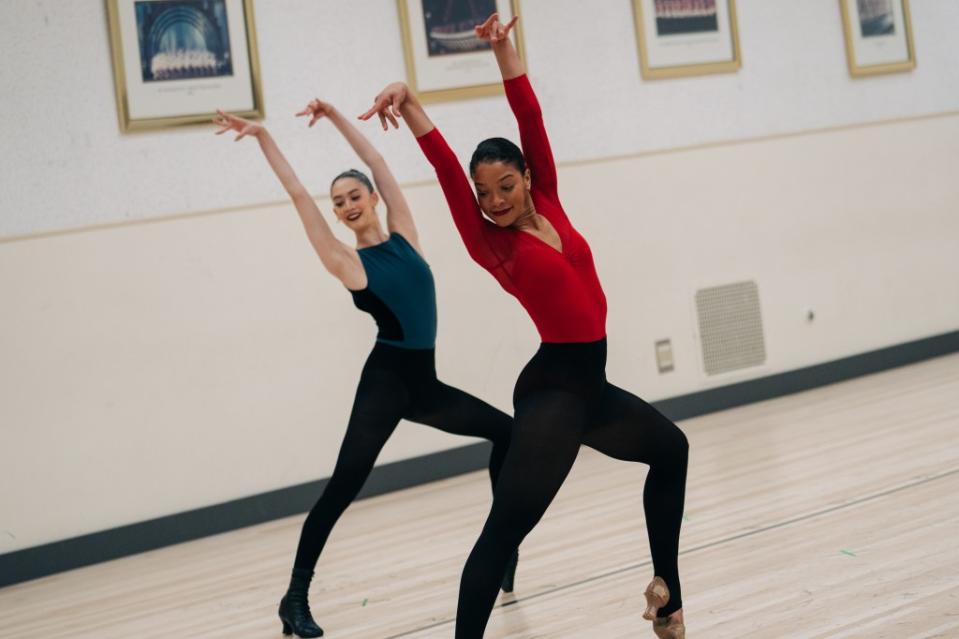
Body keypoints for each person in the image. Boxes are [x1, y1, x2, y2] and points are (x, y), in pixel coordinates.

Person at [360, 13, 689, 638]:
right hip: (553, 393)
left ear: (527, 177)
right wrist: (412, 103)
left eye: (504, 186)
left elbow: (530, 120)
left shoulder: (552, 201)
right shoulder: (492, 244)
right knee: (504, 531)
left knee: (671, 451)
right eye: (486, 195)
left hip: (591, 388)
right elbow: (450, 175)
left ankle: (666, 602)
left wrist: (503, 48)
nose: (494, 200)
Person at [213, 97, 517, 638]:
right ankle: (295, 598)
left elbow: (377, 161)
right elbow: (297, 195)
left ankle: (503, 545)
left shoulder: (405, 234)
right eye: (339, 203)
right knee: (342, 488)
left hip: (425, 386)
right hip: (385, 386)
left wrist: (333, 119)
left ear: (373, 199)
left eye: (354, 195)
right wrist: (263, 138)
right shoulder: (347, 261)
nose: (347, 204)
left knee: (508, 434)